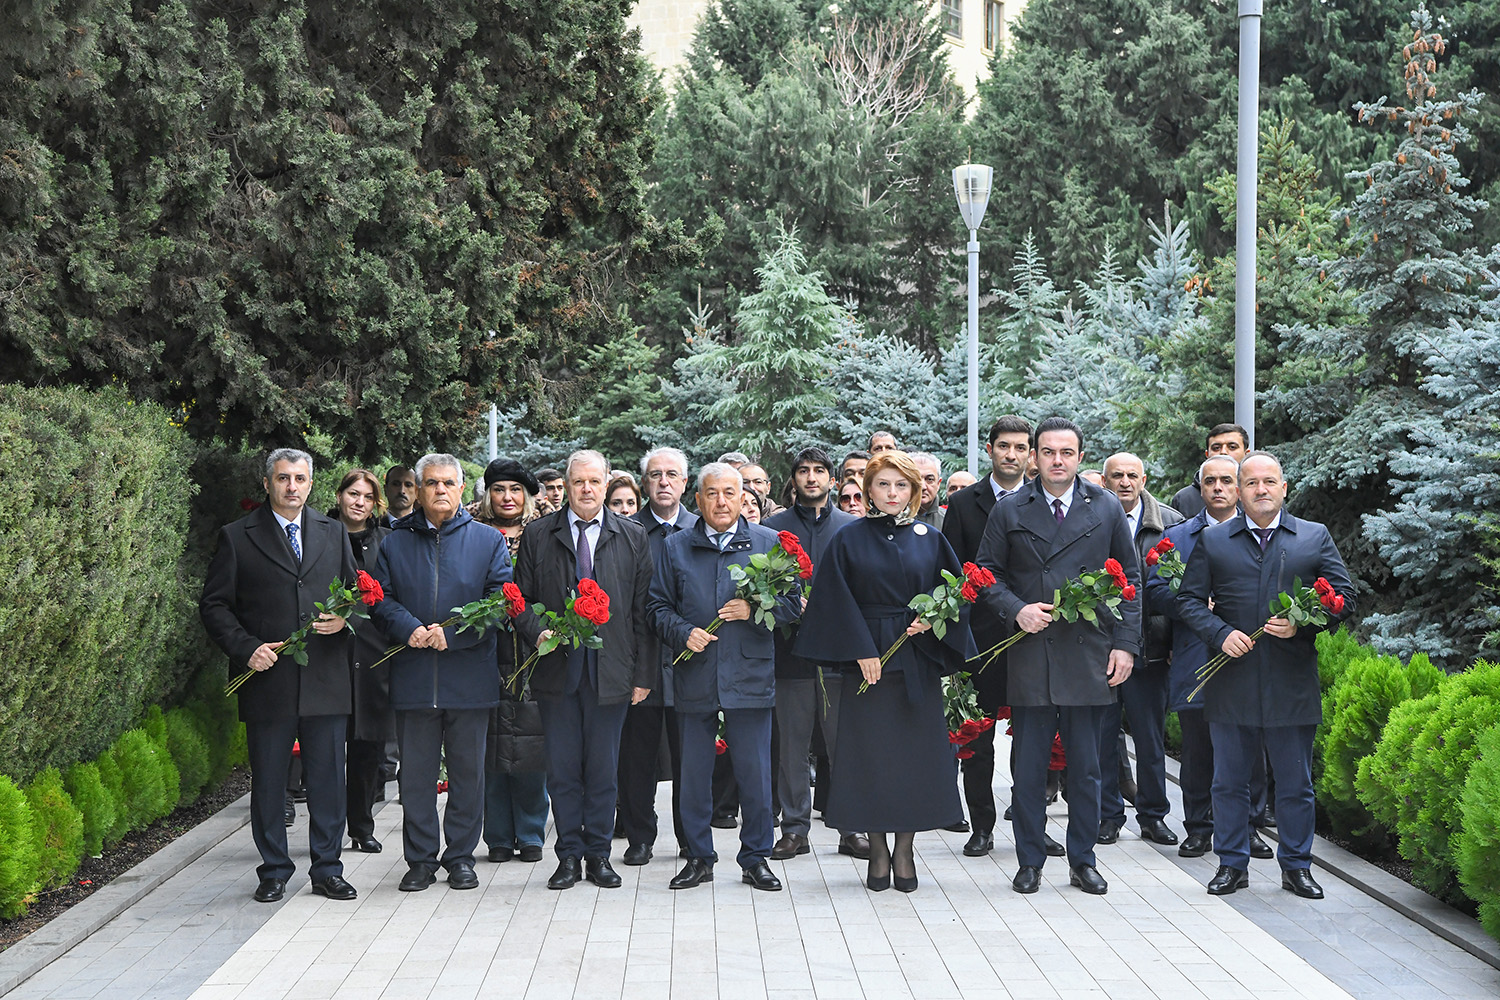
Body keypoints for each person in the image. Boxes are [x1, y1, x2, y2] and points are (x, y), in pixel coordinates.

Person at [794, 451, 977, 893]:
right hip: (867, 665)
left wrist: (934, 618)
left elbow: (958, 592)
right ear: (868, 490)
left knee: (913, 760)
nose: (892, 493)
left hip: (916, 658)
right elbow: (832, 600)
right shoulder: (848, 538)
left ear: (914, 492)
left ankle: (905, 850)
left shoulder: (930, 538)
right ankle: (877, 848)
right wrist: (860, 649)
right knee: (868, 759)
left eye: (901, 486)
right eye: (883, 485)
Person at [1175, 452, 1355, 899]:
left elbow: (1344, 598)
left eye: (1269, 482)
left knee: (1295, 785)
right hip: (1231, 680)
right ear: (1239, 490)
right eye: (1251, 483)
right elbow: (1188, 601)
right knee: (1229, 782)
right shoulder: (1216, 542)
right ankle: (1232, 865)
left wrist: (1304, 623)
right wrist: (1220, 634)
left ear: (1284, 488)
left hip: (1290, 681)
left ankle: (1296, 867)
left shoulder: (1312, 537)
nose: (1260, 490)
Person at [975, 417, 1142, 896]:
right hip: (1031, 652)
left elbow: (1130, 582)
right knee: (1027, 768)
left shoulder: (1106, 507)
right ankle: (1029, 860)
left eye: (1066, 453)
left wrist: (1126, 645)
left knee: (1087, 768)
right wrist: (1017, 610)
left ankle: (1082, 860)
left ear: (1080, 458)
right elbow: (986, 574)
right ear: (1034, 457)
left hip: (1089, 655)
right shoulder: (1010, 509)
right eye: (1047, 452)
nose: (1057, 460)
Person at [200, 449, 358, 903]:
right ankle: (273, 870)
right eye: (284, 478)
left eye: (301, 478)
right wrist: (245, 647)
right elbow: (214, 604)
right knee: (269, 780)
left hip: (325, 678)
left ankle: (328, 868)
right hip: (267, 679)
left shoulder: (334, 532)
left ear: (312, 485)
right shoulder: (237, 536)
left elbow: (356, 593)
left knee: (328, 779)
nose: (293, 486)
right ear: (267, 483)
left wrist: (345, 619)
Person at [648, 464, 799, 891]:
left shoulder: (768, 544)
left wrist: (755, 611)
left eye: (729, 493)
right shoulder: (676, 547)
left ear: (743, 496)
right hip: (695, 673)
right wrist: (683, 632)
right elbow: (656, 607)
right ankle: (698, 857)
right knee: (693, 776)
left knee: (754, 773)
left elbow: (793, 605)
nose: (720, 502)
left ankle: (755, 858)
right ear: (697, 500)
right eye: (711, 494)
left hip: (749, 673)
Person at [371, 454, 513, 892]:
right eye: (431, 483)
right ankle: (420, 860)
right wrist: (410, 628)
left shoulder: (487, 541)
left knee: (468, 775)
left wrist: (454, 635)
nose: (440, 491)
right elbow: (379, 598)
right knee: (414, 777)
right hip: (414, 677)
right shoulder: (393, 542)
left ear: (462, 487)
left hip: (468, 678)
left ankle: (461, 858)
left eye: (449, 483)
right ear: (417, 488)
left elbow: (500, 602)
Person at [513, 449, 654, 890]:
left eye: (595, 482)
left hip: (612, 674)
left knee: (602, 769)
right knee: (562, 769)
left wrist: (643, 675)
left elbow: (642, 611)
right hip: (558, 673)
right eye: (579, 482)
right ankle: (568, 856)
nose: (587, 490)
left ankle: (599, 856)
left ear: (607, 483)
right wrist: (537, 633)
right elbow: (520, 600)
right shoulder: (539, 535)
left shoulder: (632, 536)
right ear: (567, 486)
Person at [942, 416, 1062, 859]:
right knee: (979, 737)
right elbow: (954, 575)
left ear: (1030, 453)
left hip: (1035, 636)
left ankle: (1034, 825)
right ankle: (982, 826)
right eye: (1004, 446)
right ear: (989, 449)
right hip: (980, 641)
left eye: (1020, 447)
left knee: (1034, 739)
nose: (1012, 454)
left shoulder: (1044, 501)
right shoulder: (963, 504)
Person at [1147, 456, 1273, 862]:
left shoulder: (1261, 534)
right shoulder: (1178, 536)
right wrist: (1196, 602)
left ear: (1239, 487)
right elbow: (1154, 590)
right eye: (1210, 481)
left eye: (1226, 480)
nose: (1218, 487)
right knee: (1198, 751)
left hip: (1247, 658)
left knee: (1249, 752)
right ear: (1200, 488)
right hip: (1194, 657)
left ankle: (1249, 828)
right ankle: (1199, 827)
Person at [763, 447, 866, 862]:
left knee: (844, 745)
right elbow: (763, 587)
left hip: (840, 656)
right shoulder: (774, 529)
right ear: (793, 480)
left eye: (819, 471)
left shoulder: (850, 528)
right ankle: (794, 829)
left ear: (832, 479)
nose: (811, 478)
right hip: (790, 655)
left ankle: (850, 826)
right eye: (803, 471)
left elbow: (862, 589)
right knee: (791, 747)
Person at [1097, 453, 1183, 847]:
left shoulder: (1170, 524)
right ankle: (1107, 815)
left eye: (1133, 475)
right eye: (1118, 476)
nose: (1125, 482)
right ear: (1105, 479)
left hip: (1150, 653)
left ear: (1144, 478)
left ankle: (1153, 816)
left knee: (1150, 741)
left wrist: (1173, 645)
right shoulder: (1090, 518)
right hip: (1099, 652)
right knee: (1102, 738)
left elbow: (1182, 593)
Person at [467, 459, 550, 865]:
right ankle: (498, 834)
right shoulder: (475, 534)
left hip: (535, 650)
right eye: (499, 490)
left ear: (527, 496)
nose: (507, 497)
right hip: (486, 648)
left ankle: (532, 831)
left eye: (515, 490)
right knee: (492, 746)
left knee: (534, 743)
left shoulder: (544, 534)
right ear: (488, 495)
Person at [620, 447, 698, 866]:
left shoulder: (701, 530)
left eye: (672, 474)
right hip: (640, 665)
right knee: (637, 758)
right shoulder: (627, 532)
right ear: (643, 483)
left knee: (690, 758)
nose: (664, 482)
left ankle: (690, 838)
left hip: (690, 663)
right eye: (655, 475)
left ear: (685, 482)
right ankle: (640, 837)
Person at [329, 469, 395, 856]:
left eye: (367, 497)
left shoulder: (387, 540)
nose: (359, 502)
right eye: (352, 493)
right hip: (331, 654)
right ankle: (330, 827)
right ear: (339, 496)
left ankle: (362, 825)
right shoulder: (319, 533)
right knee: (329, 748)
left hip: (373, 654)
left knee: (368, 747)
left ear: (375, 504)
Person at [1171, 424, 1250, 519]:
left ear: (1246, 454)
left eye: (1232, 447)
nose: (1223, 452)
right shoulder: (1184, 499)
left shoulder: (1256, 493)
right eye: (1216, 448)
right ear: (1207, 454)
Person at [910, 452, 946, 529]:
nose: (923, 486)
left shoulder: (948, 520)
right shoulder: (894, 519)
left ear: (938, 484)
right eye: (917, 479)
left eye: (929, 479)